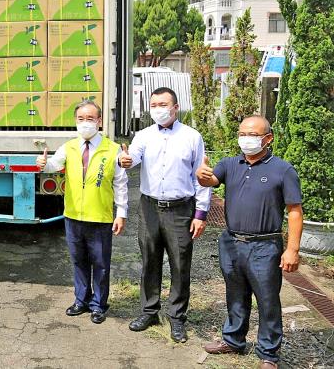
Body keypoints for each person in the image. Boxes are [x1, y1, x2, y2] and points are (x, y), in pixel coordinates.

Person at [197, 116, 302, 369]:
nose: (246, 139)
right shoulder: (229, 164)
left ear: (268, 139)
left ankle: (268, 354)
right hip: (231, 242)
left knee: (267, 300)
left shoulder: (283, 170)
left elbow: (294, 211)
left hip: (264, 246)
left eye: (253, 135)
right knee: (235, 294)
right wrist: (202, 175)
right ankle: (233, 340)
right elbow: (210, 181)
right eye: (242, 133)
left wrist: (292, 249)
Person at [119, 87, 210, 343]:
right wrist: (124, 159)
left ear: (175, 108)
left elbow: (202, 176)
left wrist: (200, 213)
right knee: (149, 260)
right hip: (149, 207)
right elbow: (132, 157)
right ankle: (149, 312)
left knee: (180, 264)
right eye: (154, 105)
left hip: (180, 210)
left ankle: (177, 317)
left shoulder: (192, 137)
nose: (158, 109)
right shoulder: (144, 135)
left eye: (163, 104)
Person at [37, 100, 128, 324]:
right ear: (75, 121)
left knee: (101, 264)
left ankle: (98, 305)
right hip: (73, 216)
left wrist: (121, 212)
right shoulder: (69, 147)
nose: (85, 123)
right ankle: (81, 300)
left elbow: (120, 182)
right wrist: (43, 163)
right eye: (81, 119)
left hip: (100, 217)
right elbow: (53, 165)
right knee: (78, 261)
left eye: (90, 119)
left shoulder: (112, 149)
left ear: (99, 121)